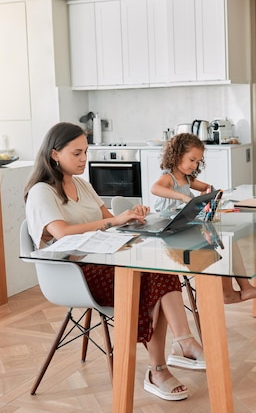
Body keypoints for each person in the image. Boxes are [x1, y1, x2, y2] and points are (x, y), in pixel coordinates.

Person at [23, 122, 205, 402]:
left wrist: (131, 215)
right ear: (55, 154)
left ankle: (179, 347)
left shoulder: (82, 184)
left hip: (104, 259)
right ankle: (164, 364)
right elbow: (60, 232)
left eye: (85, 152)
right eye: (77, 153)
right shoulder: (42, 191)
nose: (84, 159)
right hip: (74, 273)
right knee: (151, 278)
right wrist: (112, 220)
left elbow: (107, 220)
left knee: (160, 271)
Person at [150, 133, 256, 304]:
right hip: (170, 236)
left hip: (185, 230)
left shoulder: (186, 178)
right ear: (177, 155)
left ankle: (245, 288)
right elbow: (155, 189)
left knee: (228, 243)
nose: (195, 165)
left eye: (198, 162)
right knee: (216, 246)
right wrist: (183, 198)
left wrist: (205, 195)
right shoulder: (168, 177)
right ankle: (227, 294)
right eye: (192, 160)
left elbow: (207, 187)